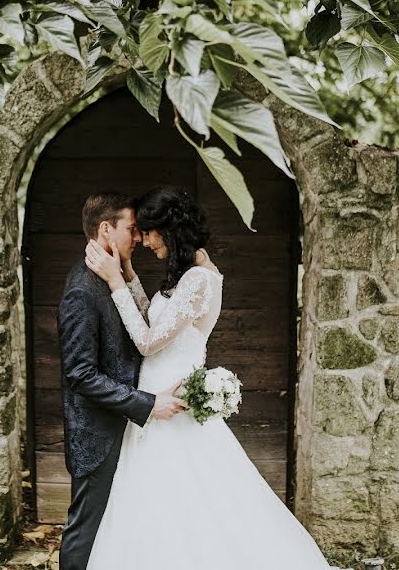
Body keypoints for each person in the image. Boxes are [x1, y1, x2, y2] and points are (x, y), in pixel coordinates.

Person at [81, 186, 334, 570]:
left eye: (149, 232)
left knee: (190, 501)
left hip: (172, 407)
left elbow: (148, 342)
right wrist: (130, 276)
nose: (144, 241)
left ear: (170, 230)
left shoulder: (200, 279)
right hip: (155, 401)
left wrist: (115, 282)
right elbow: (157, 320)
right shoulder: (188, 275)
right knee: (155, 503)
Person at [56, 192, 187, 570]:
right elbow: (80, 374)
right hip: (97, 433)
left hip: (121, 427)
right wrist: (147, 403)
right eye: (131, 229)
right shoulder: (82, 290)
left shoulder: (107, 278)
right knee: (86, 530)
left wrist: (126, 274)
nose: (138, 237)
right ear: (105, 230)